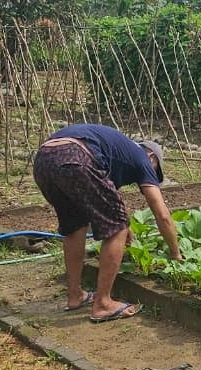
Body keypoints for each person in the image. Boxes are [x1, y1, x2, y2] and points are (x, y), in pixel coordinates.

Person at [33, 124, 182, 322]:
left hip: (44, 159)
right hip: (76, 156)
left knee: (75, 226)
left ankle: (75, 295)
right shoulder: (142, 159)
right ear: (152, 158)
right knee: (117, 228)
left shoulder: (118, 150)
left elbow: (103, 201)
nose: (152, 175)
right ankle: (103, 303)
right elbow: (161, 214)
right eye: (155, 171)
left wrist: (121, 223)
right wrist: (175, 254)